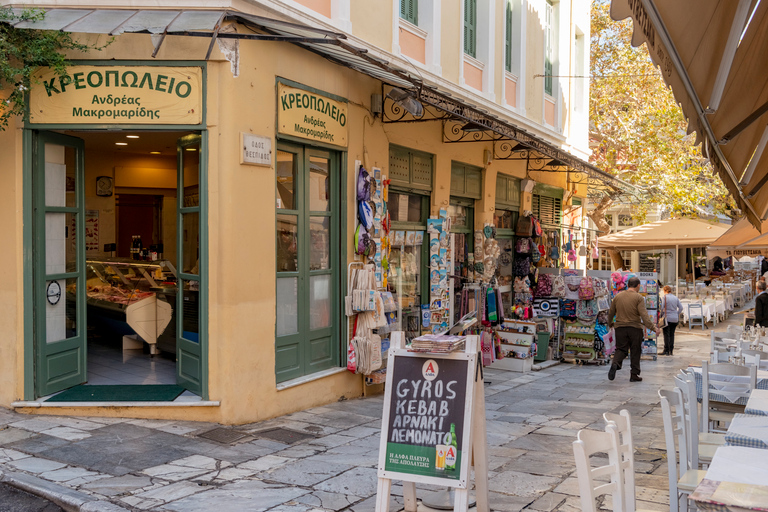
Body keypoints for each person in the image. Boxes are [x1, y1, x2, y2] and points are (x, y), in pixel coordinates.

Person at [607, 276, 660, 382]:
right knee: (635, 351)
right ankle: (634, 374)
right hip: (635, 328)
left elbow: (611, 312)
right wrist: (653, 328)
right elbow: (644, 316)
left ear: (628, 285)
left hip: (620, 327)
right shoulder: (639, 298)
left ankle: (615, 363)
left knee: (621, 349)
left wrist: (610, 324)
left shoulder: (618, 296)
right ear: (638, 286)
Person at [660, 285, 684, 356]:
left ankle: (666, 350)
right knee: (672, 334)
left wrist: (661, 315)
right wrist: (676, 313)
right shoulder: (675, 297)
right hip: (675, 318)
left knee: (666, 334)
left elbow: (662, 307)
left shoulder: (664, 297)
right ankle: (671, 350)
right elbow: (681, 308)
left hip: (667, 318)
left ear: (664, 291)